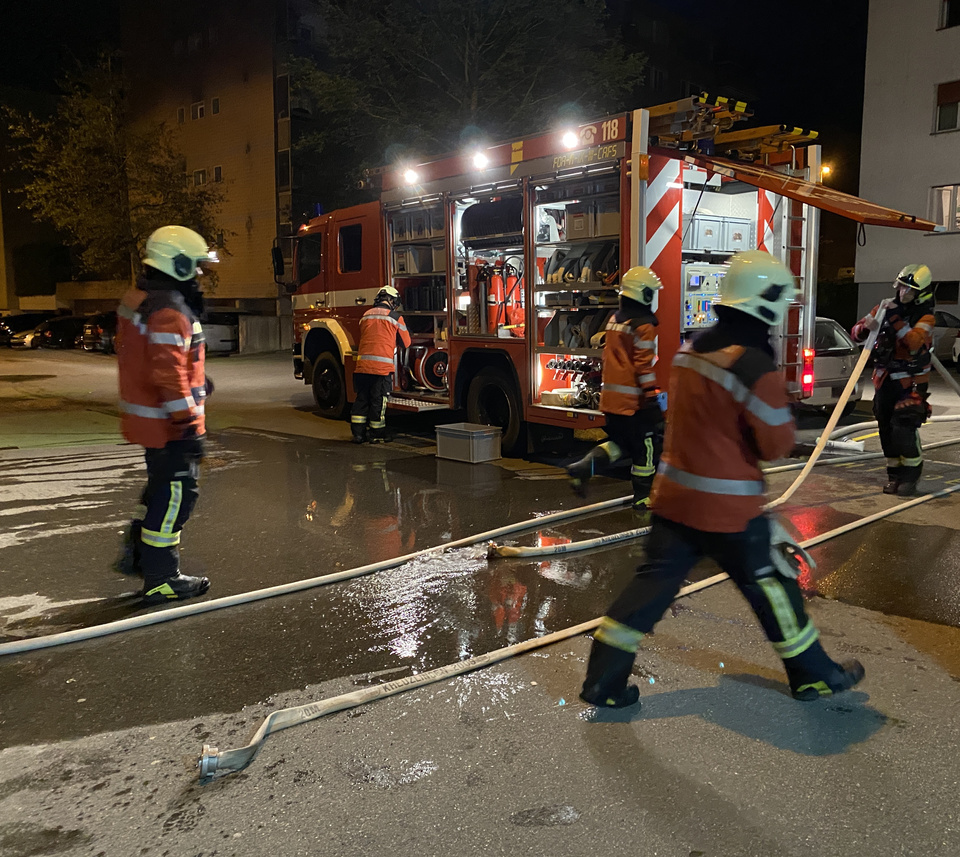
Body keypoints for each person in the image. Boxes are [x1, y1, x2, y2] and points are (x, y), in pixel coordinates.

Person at [580, 250, 865, 708]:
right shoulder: (753, 365)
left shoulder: (692, 350)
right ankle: (814, 675)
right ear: (766, 304)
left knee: (649, 589)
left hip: (673, 500)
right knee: (775, 587)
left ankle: (603, 681)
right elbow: (774, 444)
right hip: (729, 511)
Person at [113, 225, 216, 605]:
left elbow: (155, 361)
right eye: (196, 266)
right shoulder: (170, 309)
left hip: (152, 423)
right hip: (170, 426)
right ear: (180, 264)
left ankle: (141, 558)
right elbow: (167, 374)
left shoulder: (143, 298)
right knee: (176, 497)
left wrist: (200, 383)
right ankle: (161, 578)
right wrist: (188, 423)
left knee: (161, 491)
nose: (200, 274)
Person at [566, 266, 664, 511]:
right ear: (645, 295)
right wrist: (651, 399)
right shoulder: (643, 326)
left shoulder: (614, 320)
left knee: (620, 444)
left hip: (611, 403)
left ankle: (583, 467)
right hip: (633, 404)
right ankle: (642, 497)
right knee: (646, 449)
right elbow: (644, 367)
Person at [851, 264, 935, 495]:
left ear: (920, 294)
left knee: (903, 429)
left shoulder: (926, 317)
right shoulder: (884, 308)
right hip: (884, 380)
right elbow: (856, 331)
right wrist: (866, 329)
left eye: (909, 290)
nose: (903, 293)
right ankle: (894, 475)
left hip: (910, 383)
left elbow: (914, 342)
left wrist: (895, 319)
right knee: (886, 430)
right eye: (902, 287)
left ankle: (910, 476)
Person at [350, 285, 411, 443]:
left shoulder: (365, 315)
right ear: (390, 300)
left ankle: (358, 434)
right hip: (381, 369)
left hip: (362, 366)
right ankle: (377, 435)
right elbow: (406, 343)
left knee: (361, 400)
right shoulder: (395, 317)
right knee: (378, 401)